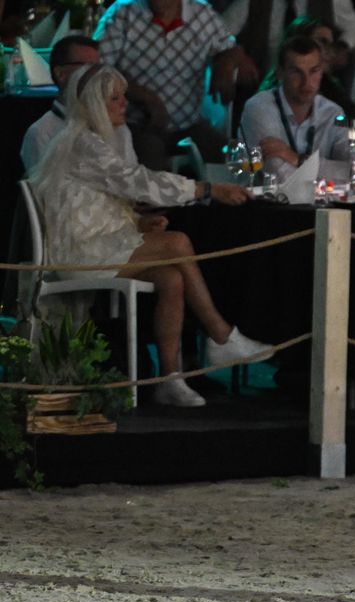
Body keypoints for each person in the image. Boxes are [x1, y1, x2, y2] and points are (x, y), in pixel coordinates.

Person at [29, 64, 270, 408]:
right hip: (76, 254)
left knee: (172, 277)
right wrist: (205, 189)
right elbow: (137, 181)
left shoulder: (98, 139)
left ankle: (169, 379)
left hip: (96, 243)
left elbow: (102, 202)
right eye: (115, 98)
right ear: (96, 104)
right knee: (178, 243)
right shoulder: (83, 143)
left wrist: (138, 223)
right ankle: (220, 334)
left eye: (124, 96)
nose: (124, 103)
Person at [94, 0, 258, 170]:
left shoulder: (201, 13)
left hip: (189, 123)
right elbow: (97, 69)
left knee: (237, 163)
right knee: (152, 168)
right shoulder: (122, 12)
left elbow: (229, 47)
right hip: (136, 124)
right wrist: (144, 96)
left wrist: (226, 63)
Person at [240, 35, 353, 182]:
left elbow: (354, 171)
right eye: (296, 72)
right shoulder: (258, 108)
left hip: (322, 204)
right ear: (280, 73)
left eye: (314, 71)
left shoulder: (334, 113)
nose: (306, 82)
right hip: (262, 203)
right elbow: (278, 177)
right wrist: (328, 176)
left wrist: (297, 159)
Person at [20, 36, 131, 172]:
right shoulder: (41, 132)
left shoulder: (117, 124)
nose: (97, 75)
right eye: (88, 67)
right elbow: (42, 189)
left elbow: (133, 177)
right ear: (61, 74)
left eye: (98, 67)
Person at [222, 0, 355, 78]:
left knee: (350, 121)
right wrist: (236, 55)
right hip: (264, 83)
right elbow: (220, 31)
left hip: (314, 86)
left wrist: (342, 46)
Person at [257, 15, 355, 116]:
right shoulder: (270, 97)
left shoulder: (329, 85)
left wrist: (340, 124)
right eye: (322, 42)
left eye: (331, 44)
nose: (330, 51)